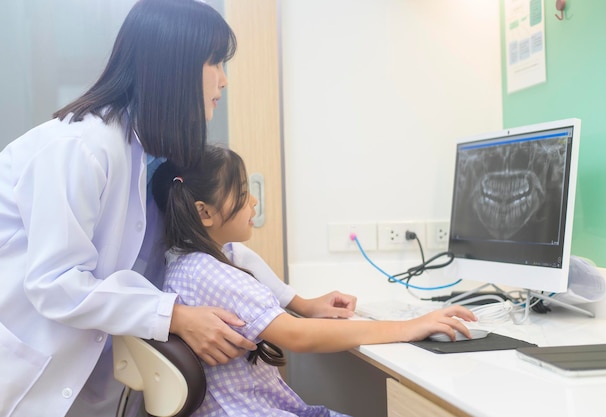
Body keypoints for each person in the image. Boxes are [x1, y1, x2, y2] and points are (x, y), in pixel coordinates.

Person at [0, 1, 355, 416]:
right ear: (176, 67)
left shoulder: (154, 156)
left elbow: (216, 252)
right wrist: (177, 316)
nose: (223, 81)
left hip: (94, 376)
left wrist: (300, 301)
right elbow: (54, 282)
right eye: (216, 63)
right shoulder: (81, 148)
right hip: (27, 366)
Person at [152, 145, 478, 417]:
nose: (253, 202)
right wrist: (410, 327)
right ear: (204, 213)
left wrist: (304, 305)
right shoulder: (211, 273)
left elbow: (251, 265)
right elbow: (299, 336)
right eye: (241, 193)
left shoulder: (189, 263)